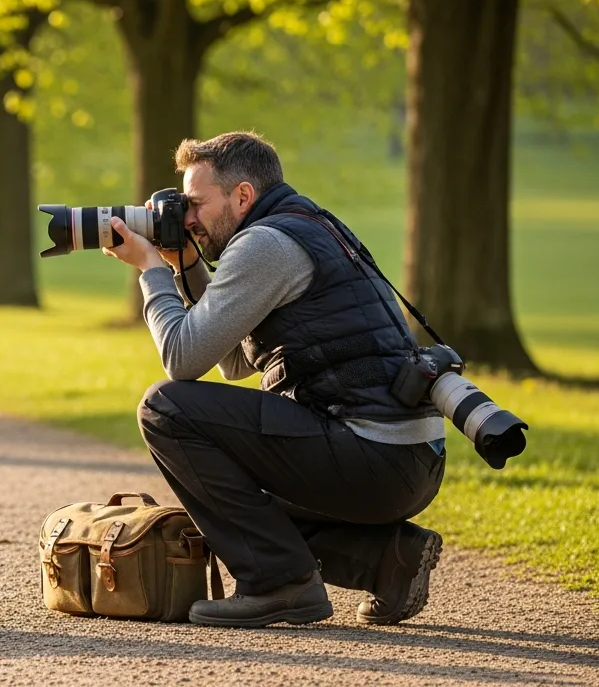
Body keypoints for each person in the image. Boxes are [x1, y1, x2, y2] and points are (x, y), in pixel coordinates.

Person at [103, 131, 446, 629]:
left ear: (242, 195)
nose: (188, 217)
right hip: (404, 458)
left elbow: (181, 359)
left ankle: (277, 584)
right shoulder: (306, 224)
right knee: (229, 484)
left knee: (165, 408)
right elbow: (233, 362)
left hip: (372, 453)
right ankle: (387, 560)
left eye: (196, 203)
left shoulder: (264, 244)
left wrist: (149, 269)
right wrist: (185, 266)